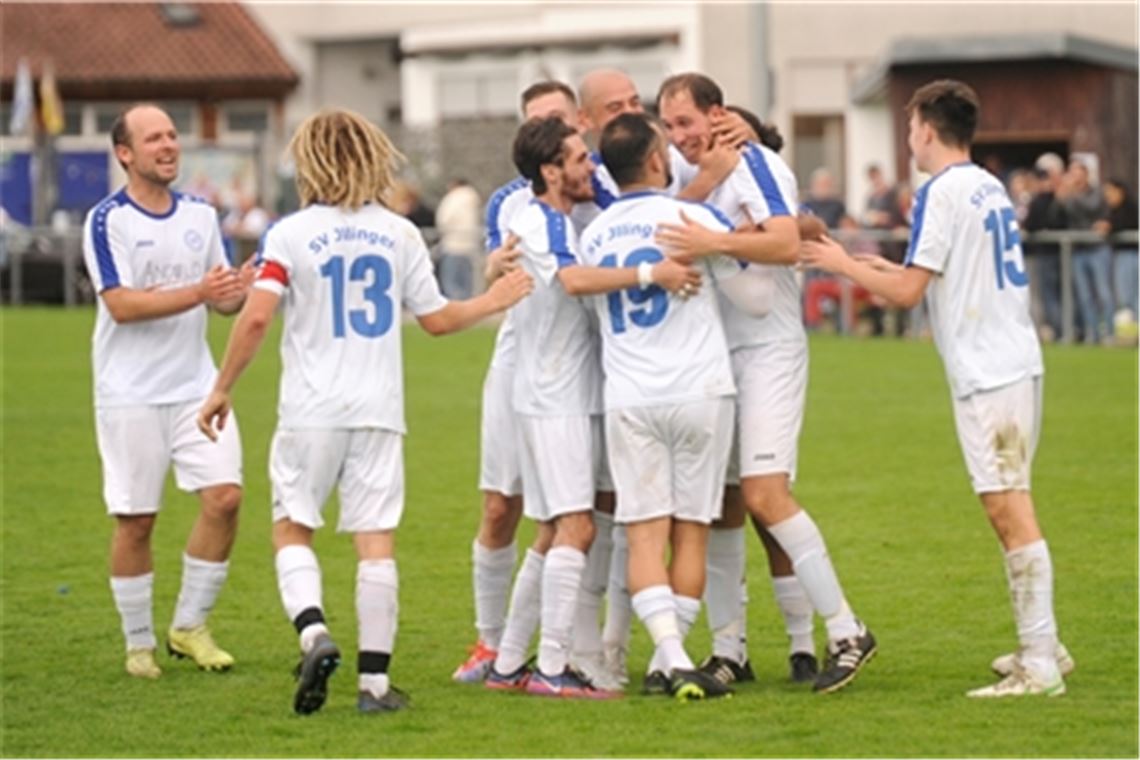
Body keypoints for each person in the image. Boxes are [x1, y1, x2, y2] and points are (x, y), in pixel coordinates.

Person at [196, 108, 533, 715]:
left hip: (311, 411)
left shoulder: (291, 233)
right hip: (379, 410)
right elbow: (435, 320)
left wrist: (222, 387)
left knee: (292, 527)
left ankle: (313, 632)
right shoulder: (400, 231)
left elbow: (255, 316)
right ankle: (375, 685)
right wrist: (493, 298)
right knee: (375, 541)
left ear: (312, 162)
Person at [800, 79, 1073, 697]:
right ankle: (1045, 642)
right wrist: (863, 261)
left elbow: (906, 294)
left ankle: (1041, 659)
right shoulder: (986, 183)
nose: (908, 138)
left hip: (988, 371)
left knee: (1008, 508)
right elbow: (927, 274)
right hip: (1013, 359)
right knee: (1011, 500)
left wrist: (838, 263)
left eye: (910, 125)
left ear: (925, 127)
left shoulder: (940, 191)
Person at [656, 72, 877, 693]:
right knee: (723, 505)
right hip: (716, 356)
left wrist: (714, 243)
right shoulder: (684, 170)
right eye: (670, 126)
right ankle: (730, 649)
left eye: (688, 123)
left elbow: (786, 239)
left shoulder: (754, 163)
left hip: (769, 352)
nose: (680, 137)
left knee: (765, 495)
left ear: (716, 114)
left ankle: (846, 629)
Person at [81, 103, 251, 680]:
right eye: (153, 138)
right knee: (137, 520)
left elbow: (222, 300)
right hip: (128, 392)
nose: (169, 145)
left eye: (173, 135)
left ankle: (189, 626)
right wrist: (203, 292)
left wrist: (240, 289)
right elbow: (122, 306)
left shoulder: (202, 216)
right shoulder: (108, 220)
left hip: (196, 387)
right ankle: (138, 643)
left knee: (225, 497)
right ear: (124, 153)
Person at [580, 111, 745, 700]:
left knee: (645, 535)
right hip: (700, 388)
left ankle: (667, 657)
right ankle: (671, 659)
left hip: (630, 393)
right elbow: (750, 288)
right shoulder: (695, 216)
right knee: (692, 534)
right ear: (656, 161)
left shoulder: (594, 234)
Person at [452, 81, 579, 686]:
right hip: (521, 362)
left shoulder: (598, 185)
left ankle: (573, 648)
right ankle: (492, 641)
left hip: (588, 365)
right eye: (537, 122)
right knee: (503, 503)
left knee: (582, 511)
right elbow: (493, 265)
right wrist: (493, 267)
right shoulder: (511, 201)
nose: (548, 128)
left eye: (557, 117)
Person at [1059, 158, 1114, 344]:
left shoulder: (1097, 193)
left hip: (1097, 248)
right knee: (1084, 296)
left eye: (1078, 173)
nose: (1074, 178)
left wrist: (1072, 194)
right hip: (1078, 250)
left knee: (1103, 294)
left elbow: (1091, 208)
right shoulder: (1068, 195)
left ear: (1086, 174)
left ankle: (1109, 332)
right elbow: (1058, 214)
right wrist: (1062, 195)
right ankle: (1093, 334)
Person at [1022, 156, 1069, 341]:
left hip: (1049, 253)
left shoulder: (1046, 200)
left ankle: (1060, 330)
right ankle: (1060, 329)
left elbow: (1033, 223)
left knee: (1051, 294)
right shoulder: (1051, 199)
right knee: (1051, 293)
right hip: (1051, 252)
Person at [1096, 177, 1138, 336]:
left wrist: (1110, 227)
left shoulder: (1130, 207)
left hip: (1130, 254)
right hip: (1121, 255)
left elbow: (1127, 223)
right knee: (1126, 296)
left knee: (1130, 296)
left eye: (1110, 191)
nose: (1107, 195)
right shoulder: (1112, 209)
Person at [434, 178, 482, 298]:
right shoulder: (473, 200)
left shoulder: (453, 199)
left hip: (452, 244)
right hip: (470, 245)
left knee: (451, 282)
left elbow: (443, 219)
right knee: (466, 283)